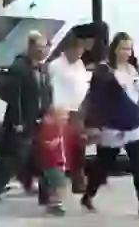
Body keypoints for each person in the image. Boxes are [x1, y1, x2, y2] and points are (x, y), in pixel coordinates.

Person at [80, 32, 139, 218]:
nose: (127, 52)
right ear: (114, 48)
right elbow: (96, 99)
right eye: (123, 48)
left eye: (129, 48)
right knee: (104, 165)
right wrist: (93, 124)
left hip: (134, 124)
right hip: (113, 125)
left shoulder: (133, 69)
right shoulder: (104, 70)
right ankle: (88, 194)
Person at [0, 30, 51, 203]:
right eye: (37, 47)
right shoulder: (19, 67)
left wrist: (47, 112)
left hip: (39, 121)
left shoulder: (44, 68)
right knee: (12, 159)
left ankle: (49, 195)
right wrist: (18, 116)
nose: (41, 51)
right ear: (30, 47)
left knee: (42, 159)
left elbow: (46, 94)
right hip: (21, 121)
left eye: (44, 47)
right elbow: (0, 88)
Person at [48, 33, 90, 194]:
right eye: (76, 49)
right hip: (61, 110)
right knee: (59, 149)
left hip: (77, 111)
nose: (79, 53)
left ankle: (78, 181)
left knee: (78, 147)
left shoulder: (80, 65)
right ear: (67, 49)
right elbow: (50, 87)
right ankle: (54, 185)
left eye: (81, 50)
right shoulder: (56, 65)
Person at [36, 107, 69, 216]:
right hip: (52, 162)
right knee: (60, 185)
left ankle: (52, 205)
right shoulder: (50, 128)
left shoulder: (54, 127)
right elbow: (47, 145)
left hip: (52, 162)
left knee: (53, 185)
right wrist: (55, 142)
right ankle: (56, 205)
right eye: (62, 116)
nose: (65, 119)